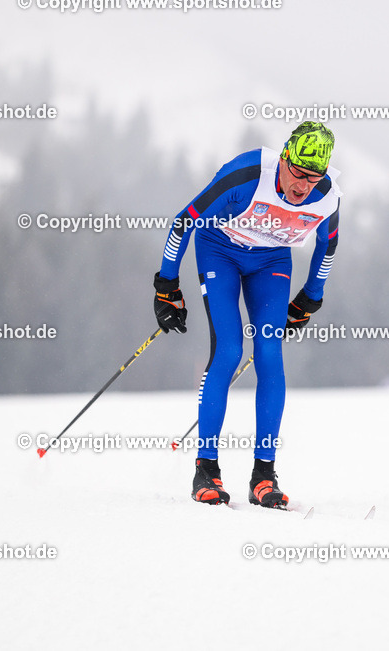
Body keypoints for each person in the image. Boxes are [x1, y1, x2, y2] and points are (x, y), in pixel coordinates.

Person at [152, 121, 341, 509]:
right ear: (284, 158)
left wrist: (311, 298)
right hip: (220, 249)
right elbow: (185, 220)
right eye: (298, 173)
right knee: (229, 350)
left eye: (314, 177)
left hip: (271, 260)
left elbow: (329, 245)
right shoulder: (248, 174)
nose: (304, 185)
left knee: (270, 354)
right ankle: (206, 470)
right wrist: (166, 284)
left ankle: (263, 475)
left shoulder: (326, 197)